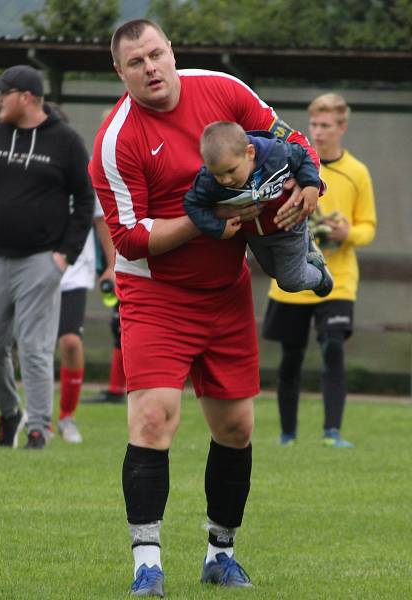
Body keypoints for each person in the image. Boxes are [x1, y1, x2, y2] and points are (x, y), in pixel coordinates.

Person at [89, 19, 318, 595]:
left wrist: (311, 187)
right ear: (120, 73)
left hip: (226, 290)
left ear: (172, 52)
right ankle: (147, 565)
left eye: (157, 54)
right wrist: (208, 221)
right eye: (136, 63)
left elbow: (292, 142)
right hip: (155, 292)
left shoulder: (222, 88)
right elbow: (132, 239)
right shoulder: (116, 139)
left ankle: (220, 554)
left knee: (237, 427)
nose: (151, 69)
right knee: (152, 419)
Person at [0, 65, 94, 450]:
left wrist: (64, 255)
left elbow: (85, 200)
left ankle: (38, 428)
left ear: (25, 97)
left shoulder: (66, 141)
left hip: (41, 260)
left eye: (2, 94)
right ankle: (10, 414)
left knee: (36, 347)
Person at [263, 93, 376, 448]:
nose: (318, 131)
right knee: (291, 355)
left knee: (332, 347)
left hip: (338, 280)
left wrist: (347, 234)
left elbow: (368, 226)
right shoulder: (292, 165)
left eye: (326, 125)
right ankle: (287, 435)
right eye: (314, 124)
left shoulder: (357, 172)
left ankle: (331, 432)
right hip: (291, 281)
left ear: (342, 127)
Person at [184, 121, 332, 297]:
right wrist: (218, 227)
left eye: (231, 171)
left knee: (290, 281)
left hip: (288, 226)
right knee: (274, 272)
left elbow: (302, 155)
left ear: (250, 153)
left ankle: (321, 278)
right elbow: (192, 204)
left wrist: (311, 185)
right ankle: (307, 250)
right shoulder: (208, 181)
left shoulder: (276, 154)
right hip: (255, 235)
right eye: (218, 174)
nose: (225, 180)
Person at [55, 198, 114, 443]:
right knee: (33, 345)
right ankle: (29, 417)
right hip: (34, 266)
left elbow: (101, 219)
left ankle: (67, 416)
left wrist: (112, 264)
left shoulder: (84, 169)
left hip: (75, 270)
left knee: (70, 341)